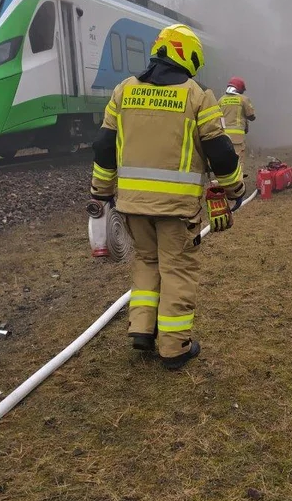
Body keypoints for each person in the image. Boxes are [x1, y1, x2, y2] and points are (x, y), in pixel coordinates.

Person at [90, 23, 245, 370]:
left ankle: (142, 331)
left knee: (146, 262)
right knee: (177, 270)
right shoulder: (197, 95)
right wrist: (235, 189)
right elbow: (220, 152)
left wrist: (100, 193)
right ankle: (174, 348)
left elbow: (104, 148)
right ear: (188, 56)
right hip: (176, 210)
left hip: (132, 206)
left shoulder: (123, 92)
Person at [218, 77, 255, 177]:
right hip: (237, 137)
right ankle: (238, 183)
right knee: (238, 160)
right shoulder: (243, 99)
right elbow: (251, 116)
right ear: (240, 89)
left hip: (223, 135)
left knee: (226, 160)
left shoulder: (221, 100)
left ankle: (225, 182)